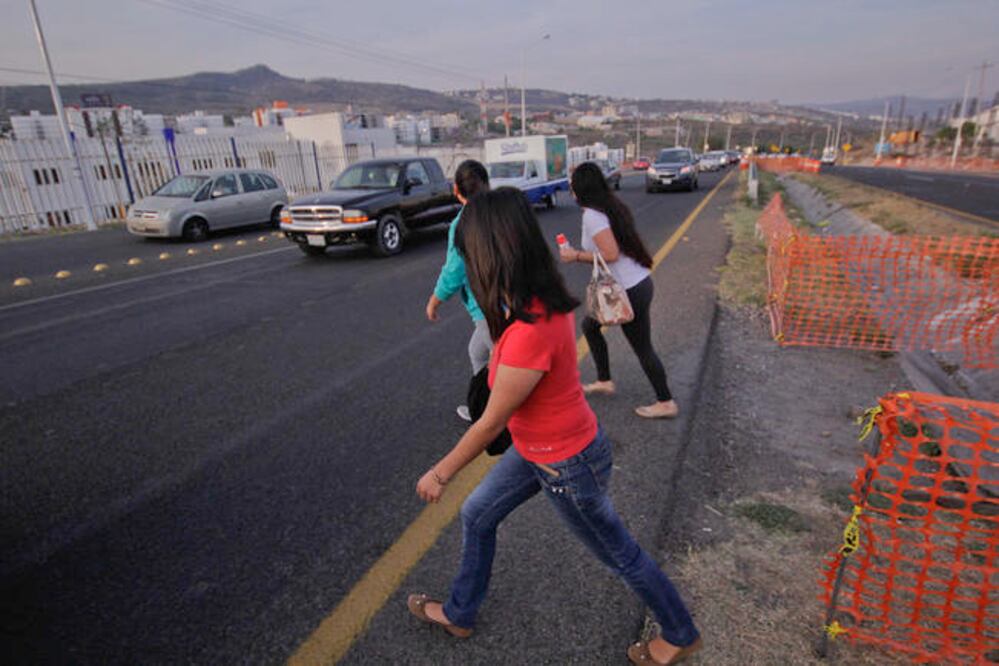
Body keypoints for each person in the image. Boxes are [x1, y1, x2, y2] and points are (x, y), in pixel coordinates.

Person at [408, 188, 701, 665]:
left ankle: (680, 633)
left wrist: (440, 473)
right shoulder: (536, 298)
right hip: (539, 448)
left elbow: (490, 424)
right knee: (478, 514)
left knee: (619, 555)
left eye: (468, 250)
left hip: (566, 464)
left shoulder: (527, 328)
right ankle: (460, 612)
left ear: (489, 251)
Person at [559, 162, 678, 419]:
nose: (570, 187)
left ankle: (665, 401)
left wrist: (575, 255)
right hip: (637, 283)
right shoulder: (610, 206)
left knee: (642, 347)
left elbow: (610, 254)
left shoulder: (592, 215)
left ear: (580, 188)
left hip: (627, 291)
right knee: (590, 326)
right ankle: (604, 380)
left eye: (572, 183)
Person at [425, 160, 491, 421]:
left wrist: (434, 301)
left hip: (488, 307)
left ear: (456, 190)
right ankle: (482, 407)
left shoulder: (462, 223)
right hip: (504, 301)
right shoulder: (497, 214)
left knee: (505, 363)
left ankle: (495, 417)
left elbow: (454, 270)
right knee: (478, 352)